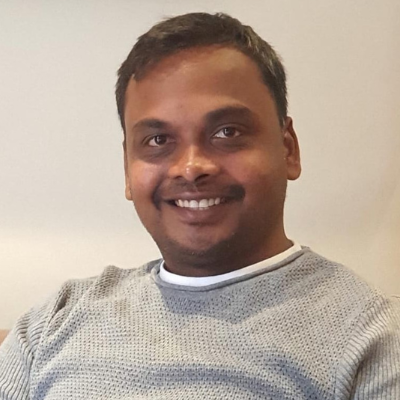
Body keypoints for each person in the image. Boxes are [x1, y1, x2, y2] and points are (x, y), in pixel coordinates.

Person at [0, 12, 399, 400]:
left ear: (288, 149)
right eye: (158, 141)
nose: (191, 168)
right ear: (127, 168)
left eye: (227, 132)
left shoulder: (372, 337)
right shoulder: (54, 321)